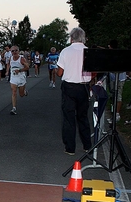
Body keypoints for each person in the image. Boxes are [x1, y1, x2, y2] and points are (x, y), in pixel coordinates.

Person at [57, 27, 92, 156]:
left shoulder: (66, 51)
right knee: (83, 117)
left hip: (69, 86)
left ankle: (70, 147)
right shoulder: (88, 51)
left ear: (71, 37)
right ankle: (87, 145)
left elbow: (60, 72)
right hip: (83, 86)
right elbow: (93, 72)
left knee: (68, 118)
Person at [6, 45, 29, 115]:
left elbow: (27, 67)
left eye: (16, 50)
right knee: (14, 92)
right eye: (12, 51)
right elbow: (8, 65)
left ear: (18, 51)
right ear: (11, 52)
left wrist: (20, 70)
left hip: (21, 77)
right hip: (13, 77)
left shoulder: (22, 59)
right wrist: (7, 71)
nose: (14, 52)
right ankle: (14, 108)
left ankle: (24, 92)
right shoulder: (11, 58)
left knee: (21, 95)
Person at [108, 39, 127, 122]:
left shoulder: (118, 55)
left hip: (120, 78)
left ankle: (117, 114)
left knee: (118, 95)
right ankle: (114, 113)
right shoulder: (111, 54)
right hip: (113, 78)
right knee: (114, 95)